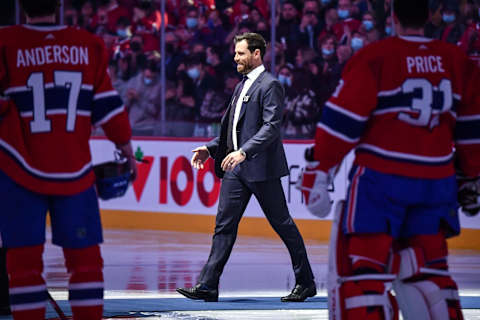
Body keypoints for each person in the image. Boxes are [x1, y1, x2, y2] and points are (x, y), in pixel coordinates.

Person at [298, 0, 480, 318]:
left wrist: (320, 167)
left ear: (393, 17)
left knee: (362, 275)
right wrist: (471, 177)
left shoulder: (375, 56)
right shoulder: (458, 60)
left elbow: (342, 121)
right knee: (430, 275)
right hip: (436, 183)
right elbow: (472, 130)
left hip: (381, 181)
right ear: (430, 17)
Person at [0, 1, 137, 319]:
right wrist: (127, 150)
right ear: (59, 6)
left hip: (18, 169)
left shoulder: (5, 42)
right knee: (86, 262)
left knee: (23, 265)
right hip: (74, 170)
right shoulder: (87, 44)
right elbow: (108, 106)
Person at [176, 32, 316, 303]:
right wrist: (211, 148)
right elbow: (234, 130)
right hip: (236, 169)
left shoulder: (270, 84)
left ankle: (306, 282)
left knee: (283, 224)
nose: (235, 57)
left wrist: (244, 152)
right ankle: (208, 285)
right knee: (223, 226)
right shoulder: (242, 86)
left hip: (261, 168)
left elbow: (271, 127)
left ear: (256, 54)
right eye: (236, 53)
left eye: (241, 53)